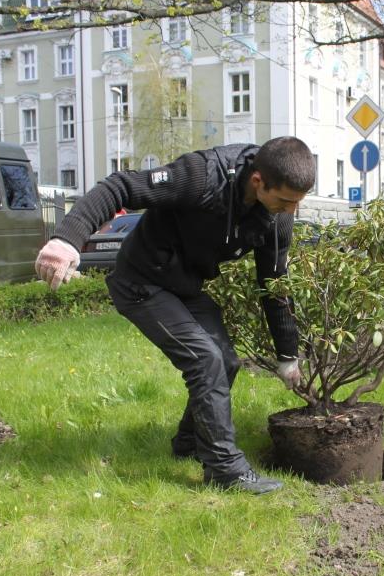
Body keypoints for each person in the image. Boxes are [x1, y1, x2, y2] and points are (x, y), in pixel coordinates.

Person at [34, 137, 316, 494]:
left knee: (226, 362)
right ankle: (225, 470)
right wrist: (67, 239)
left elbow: (273, 284)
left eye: (298, 202)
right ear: (259, 181)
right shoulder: (202, 176)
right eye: (286, 201)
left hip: (185, 286)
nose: (291, 211)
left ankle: (190, 443)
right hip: (140, 281)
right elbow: (120, 186)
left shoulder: (277, 219)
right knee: (205, 359)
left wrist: (287, 355)